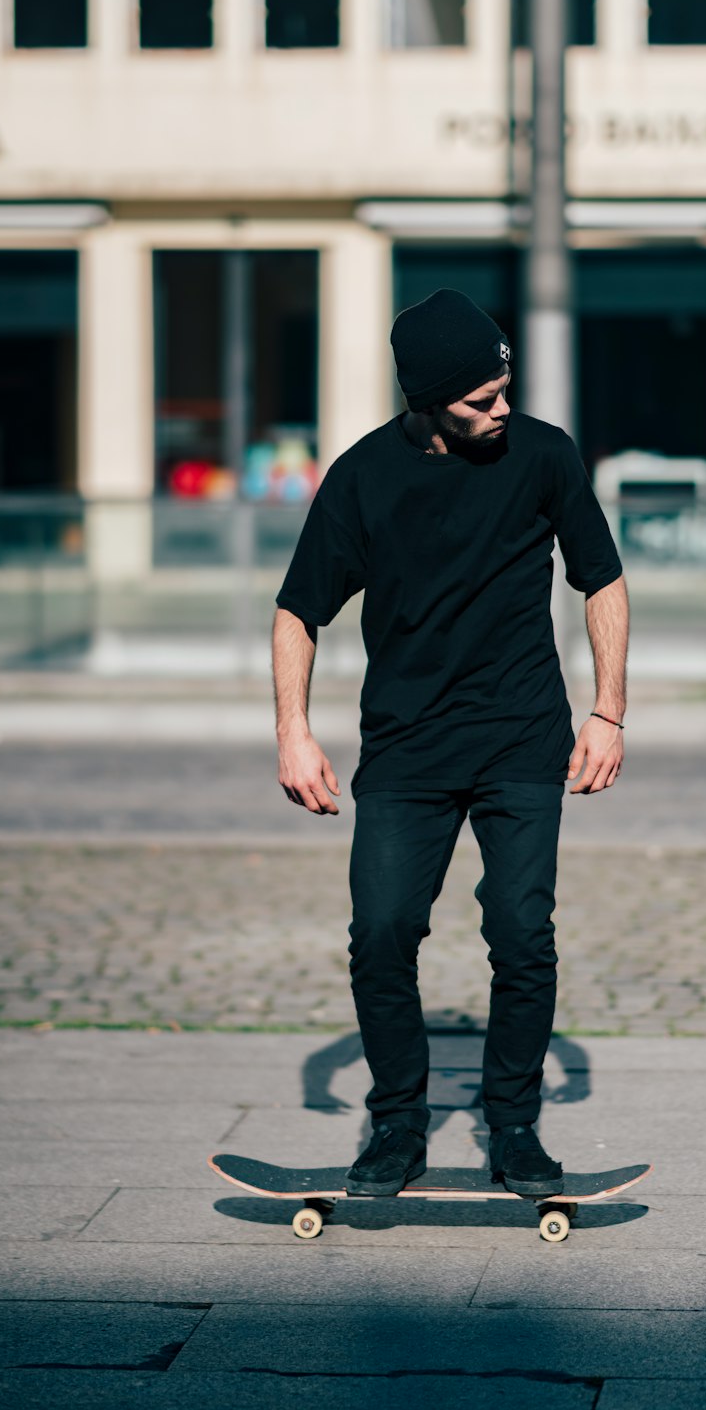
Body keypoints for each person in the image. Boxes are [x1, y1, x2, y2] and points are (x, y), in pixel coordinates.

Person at [272, 288, 629, 1200]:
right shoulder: (362, 477)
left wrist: (609, 710)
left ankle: (513, 1126)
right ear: (427, 400)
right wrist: (293, 733)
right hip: (405, 745)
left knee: (521, 932)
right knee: (383, 931)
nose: (501, 408)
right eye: (479, 399)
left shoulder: (544, 454)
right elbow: (297, 610)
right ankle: (397, 1123)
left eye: (505, 387)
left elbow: (603, 580)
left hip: (521, 736)